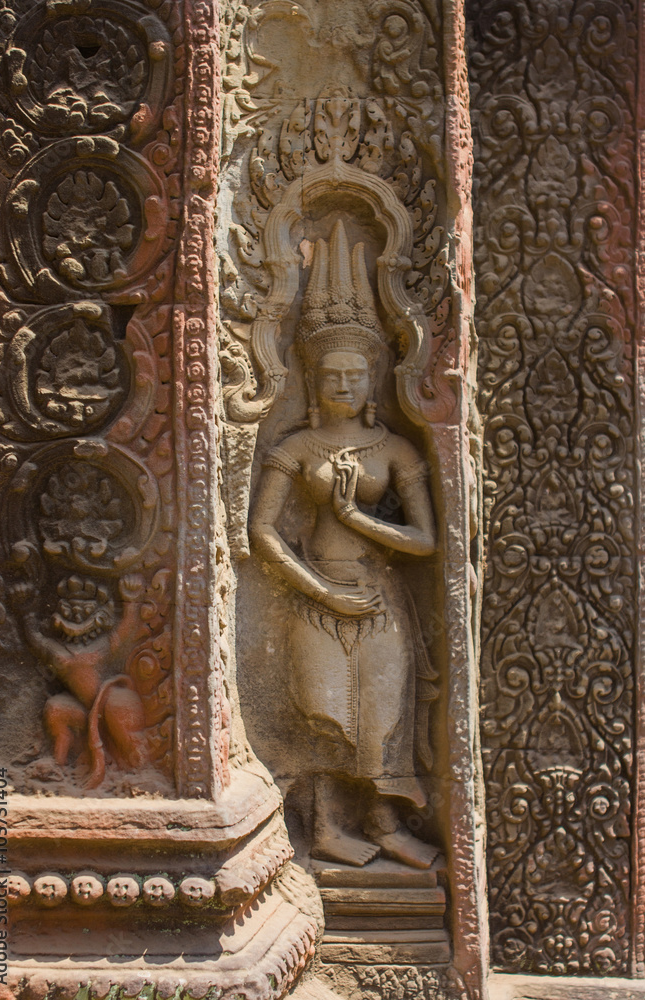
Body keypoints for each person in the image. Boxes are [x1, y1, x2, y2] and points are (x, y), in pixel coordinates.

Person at [250, 220, 439, 868]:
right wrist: (321, 588)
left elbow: (424, 540)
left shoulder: (396, 450)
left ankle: (385, 822)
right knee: (324, 713)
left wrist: (357, 521)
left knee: (383, 719)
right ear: (311, 378)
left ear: (372, 379)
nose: (343, 387)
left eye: (356, 376)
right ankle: (328, 825)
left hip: (380, 598)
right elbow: (261, 530)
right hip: (316, 596)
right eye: (330, 375)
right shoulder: (294, 448)